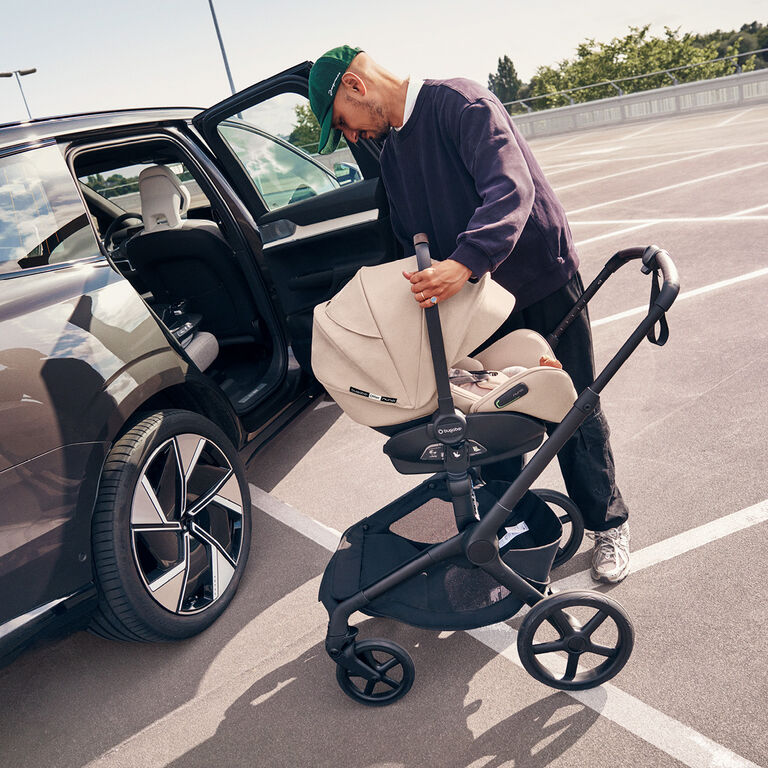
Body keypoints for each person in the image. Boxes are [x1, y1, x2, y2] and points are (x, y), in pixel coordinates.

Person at [307, 45, 631, 583]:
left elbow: (510, 189)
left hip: (536, 278)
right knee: (485, 415)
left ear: (356, 88)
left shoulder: (460, 104)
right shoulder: (392, 153)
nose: (351, 137)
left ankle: (607, 523)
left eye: (342, 123)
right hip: (474, 302)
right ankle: (521, 527)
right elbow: (396, 239)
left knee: (572, 406)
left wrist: (464, 262)